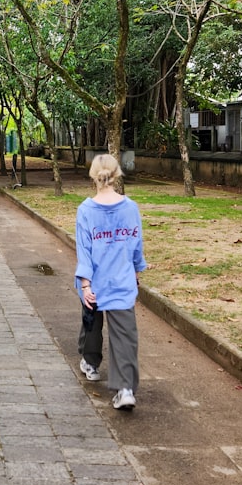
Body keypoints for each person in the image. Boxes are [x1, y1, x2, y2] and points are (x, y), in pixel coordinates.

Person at [75, 153, 147, 410]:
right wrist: (136, 272)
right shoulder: (131, 207)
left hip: (95, 281)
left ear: (93, 175)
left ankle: (91, 365)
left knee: (91, 323)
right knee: (125, 335)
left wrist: (85, 285)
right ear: (117, 175)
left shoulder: (86, 210)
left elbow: (84, 251)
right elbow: (136, 245)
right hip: (122, 281)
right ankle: (125, 388)